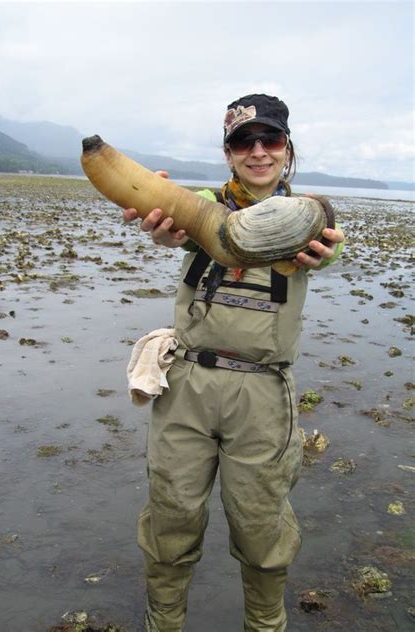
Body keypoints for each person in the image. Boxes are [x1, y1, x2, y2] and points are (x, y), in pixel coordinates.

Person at [123, 93, 345, 632]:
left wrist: (325, 248)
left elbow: (332, 246)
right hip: (187, 386)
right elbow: (168, 221)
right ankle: (164, 623)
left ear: (286, 147)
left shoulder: (311, 223)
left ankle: (265, 624)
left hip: (262, 393)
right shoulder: (201, 206)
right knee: (171, 514)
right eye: (243, 141)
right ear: (228, 153)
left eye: (269, 140)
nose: (258, 152)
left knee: (262, 523)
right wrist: (154, 216)